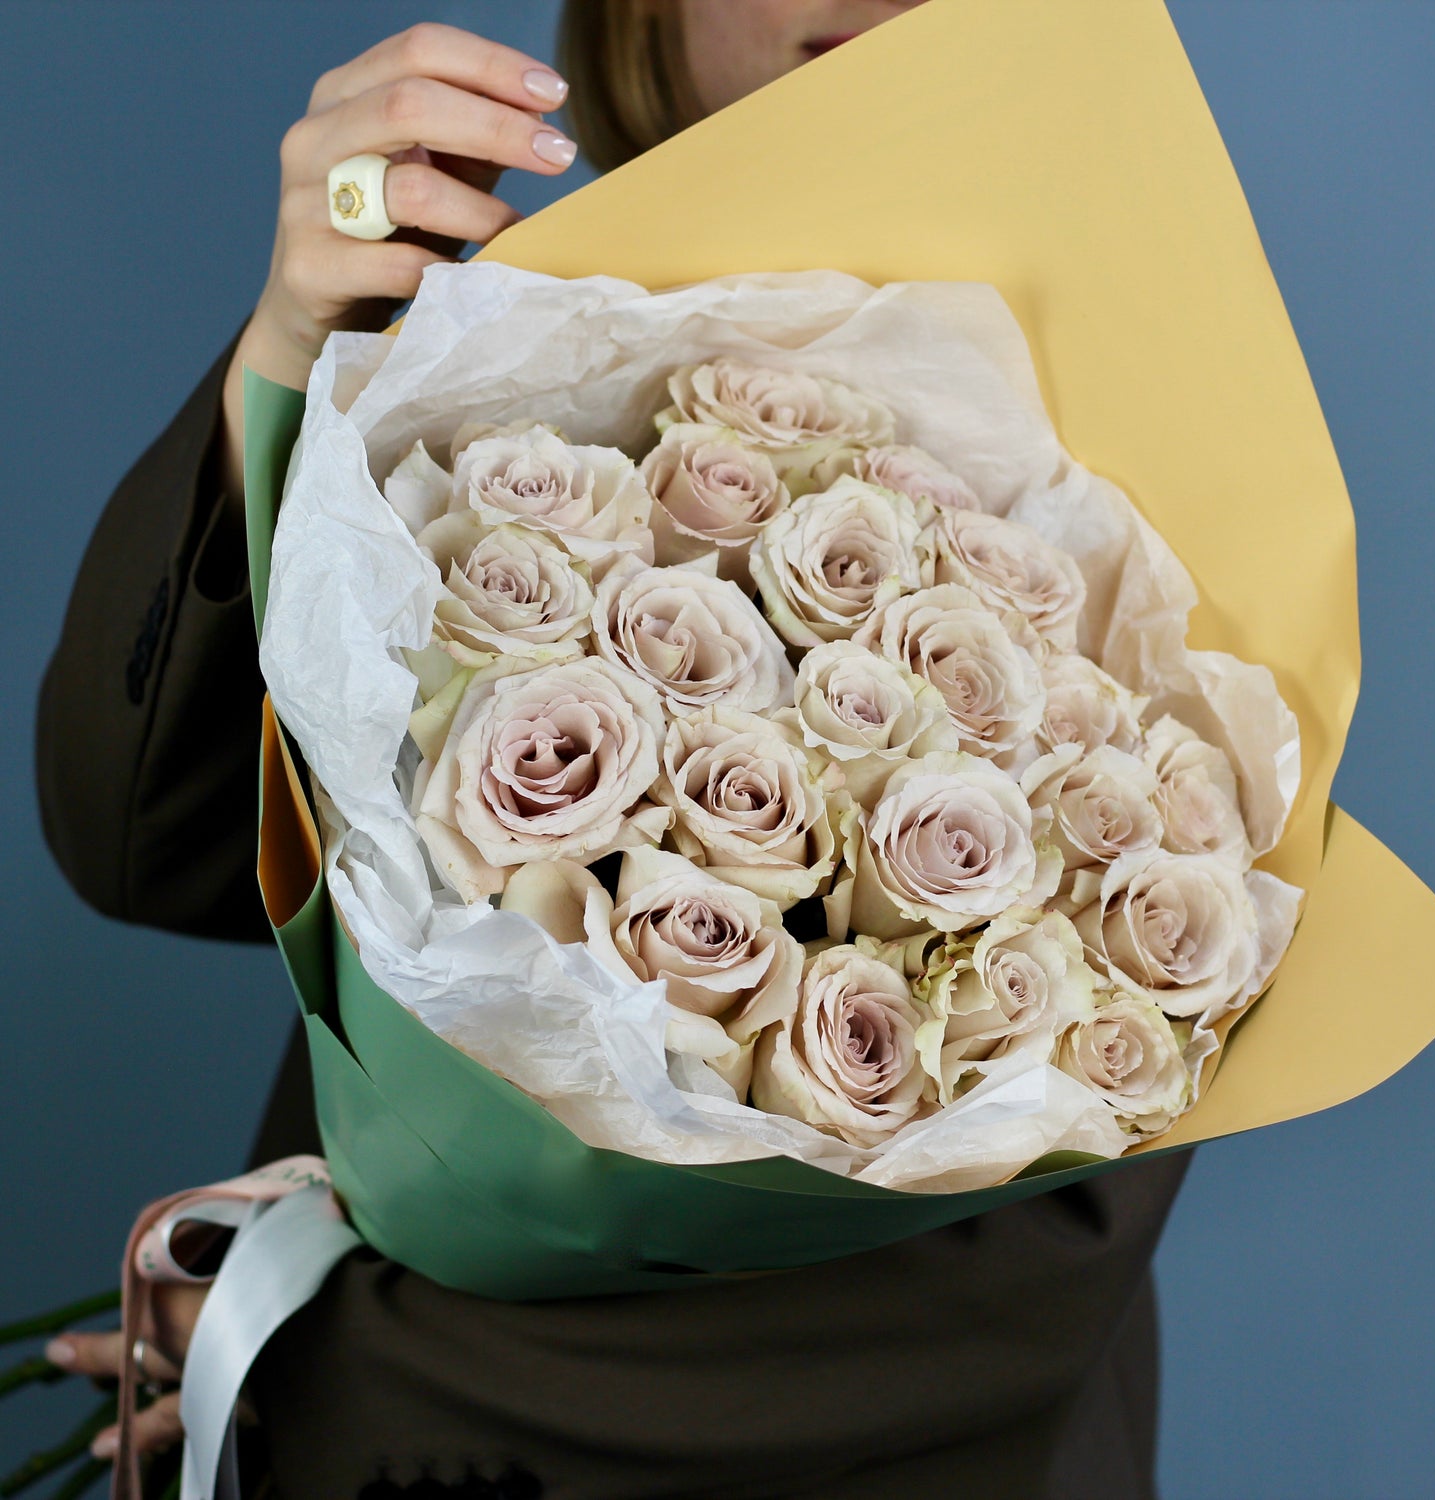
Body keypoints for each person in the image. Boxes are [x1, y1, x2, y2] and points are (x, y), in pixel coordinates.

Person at [35, 3, 1189, 1495]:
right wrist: (291, 351)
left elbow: (1008, 1269)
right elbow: (144, 845)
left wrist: (291, 1338)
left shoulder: (1150, 419)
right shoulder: (498, 341)